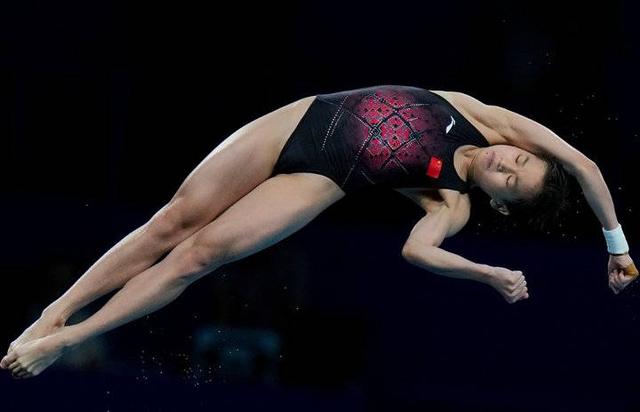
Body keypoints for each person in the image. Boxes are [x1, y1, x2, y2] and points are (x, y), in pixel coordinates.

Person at [1, 85, 636, 379]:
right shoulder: (478, 113)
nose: (508, 165)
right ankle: (51, 317)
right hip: (302, 119)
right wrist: (618, 246)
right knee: (172, 222)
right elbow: (585, 165)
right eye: (519, 159)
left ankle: (72, 339)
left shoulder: (454, 204)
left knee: (198, 258)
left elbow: (417, 251)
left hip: (323, 179)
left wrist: (485, 272)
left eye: (513, 182)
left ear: (498, 203)